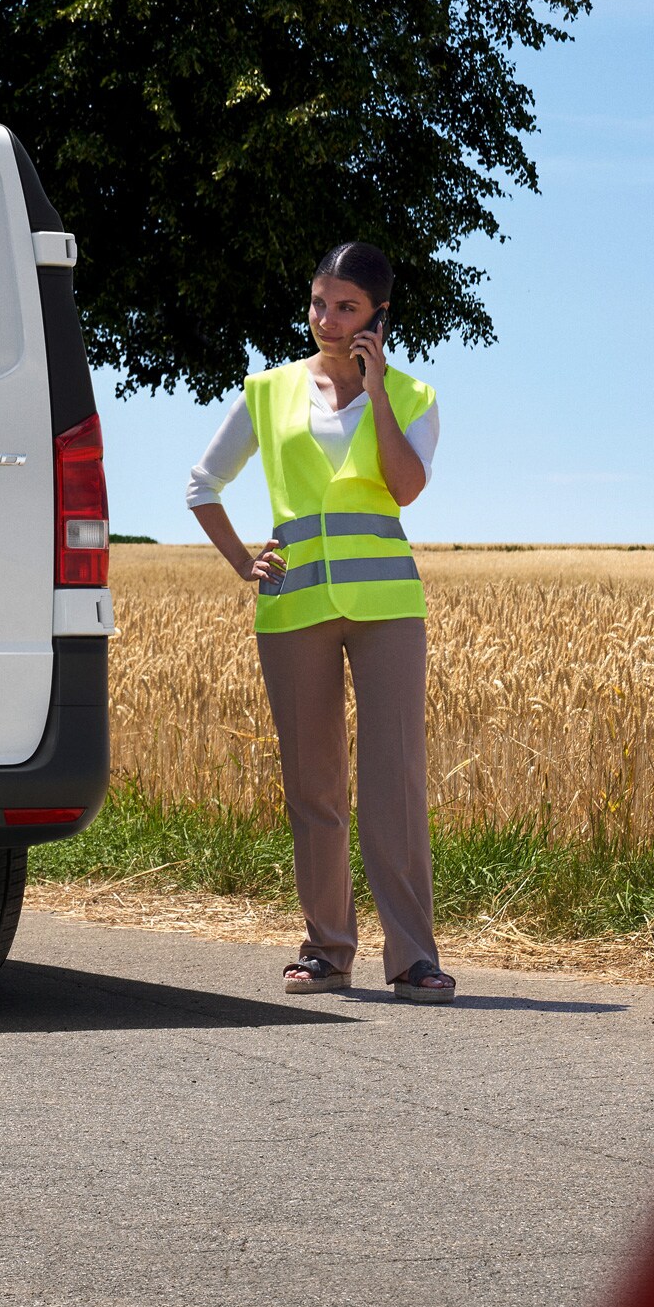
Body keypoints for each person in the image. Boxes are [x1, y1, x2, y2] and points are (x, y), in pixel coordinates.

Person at [184, 241, 453, 1003]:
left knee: (395, 781)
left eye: (346, 307)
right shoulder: (268, 391)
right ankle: (327, 951)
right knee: (314, 786)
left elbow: (403, 488)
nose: (326, 320)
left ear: (378, 316)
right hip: (294, 606)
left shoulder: (415, 395)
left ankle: (414, 959)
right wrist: (243, 561)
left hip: (388, 609)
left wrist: (378, 392)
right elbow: (202, 483)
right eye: (318, 303)